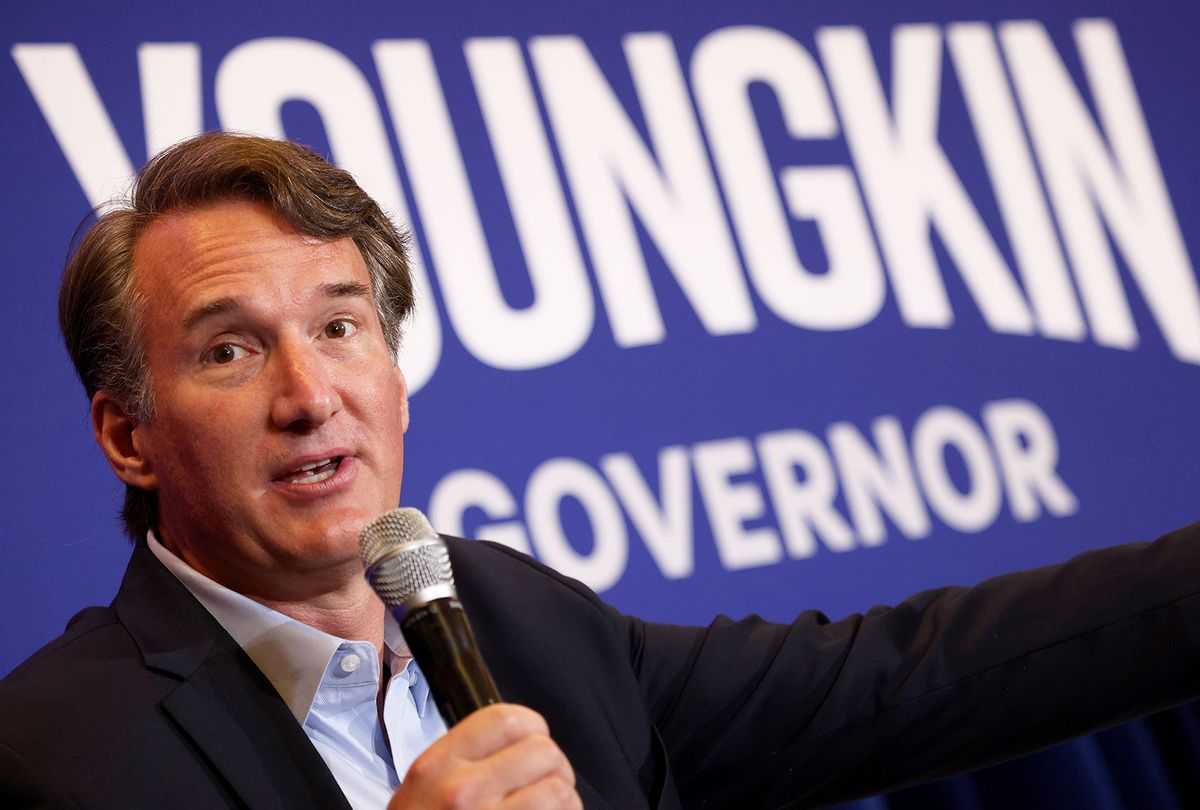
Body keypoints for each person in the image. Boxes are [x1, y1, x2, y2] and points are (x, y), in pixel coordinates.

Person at [1, 132, 1197, 809]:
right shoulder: (56, 751)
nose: (310, 395)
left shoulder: (515, 615)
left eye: (341, 325)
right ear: (128, 436)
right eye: (229, 349)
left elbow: (907, 676)